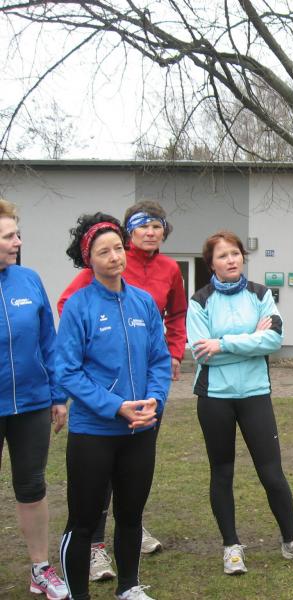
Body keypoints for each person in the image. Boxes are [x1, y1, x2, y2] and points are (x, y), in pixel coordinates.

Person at [58, 200, 186, 579]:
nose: (115, 257)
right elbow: (67, 370)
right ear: (89, 260)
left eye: (118, 248)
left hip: (141, 424)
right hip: (95, 427)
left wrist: (155, 400)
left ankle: (129, 585)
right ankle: (85, 573)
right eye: (105, 252)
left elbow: (159, 358)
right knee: (85, 516)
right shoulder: (80, 302)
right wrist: (115, 404)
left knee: (130, 512)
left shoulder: (145, 299)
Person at [186, 230, 293, 575]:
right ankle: (231, 546)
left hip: (255, 395)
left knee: (272, 473)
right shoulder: (199, 301)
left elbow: (274, 340)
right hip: (215, 398)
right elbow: (201, 352)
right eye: (222, 255)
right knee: (222, 472)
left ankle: (291, 540)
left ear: (242, 257)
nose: (231, 260)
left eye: (235, 253)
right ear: (211, 264)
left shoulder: (261, 294)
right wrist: (251, 339)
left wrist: (223, 343)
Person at [0, 199, 68, 600]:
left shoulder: (28, 279)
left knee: (32, 486)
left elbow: (48, 341)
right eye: (9, 236)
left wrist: (57, 396)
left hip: (31, 404)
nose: (18, 242)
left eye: (17, 234)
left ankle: (40, 568)